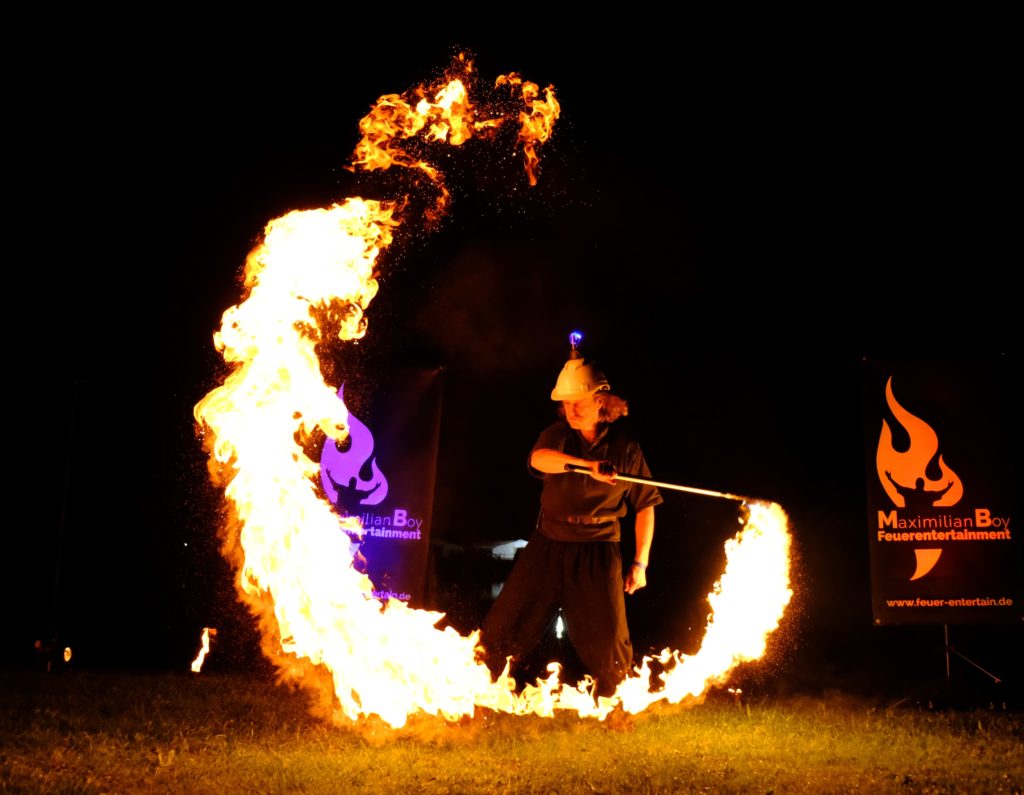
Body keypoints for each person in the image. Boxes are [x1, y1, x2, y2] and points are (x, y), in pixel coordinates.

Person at [479, 336, 663, 698]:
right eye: (566, 404)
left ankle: (616, 703)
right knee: (508, 621)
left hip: (598, 549)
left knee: (608, 635)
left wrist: (640, 563)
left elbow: (646, 506)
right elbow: (538, 460)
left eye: (579, 402)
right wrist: (586, 467)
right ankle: (477, 693)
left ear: (601, 402)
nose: (572, 410)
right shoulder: (557, 436)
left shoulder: (626, 449)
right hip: (548, 544)